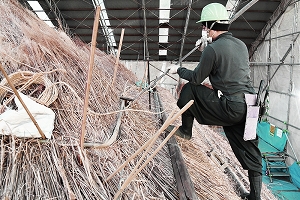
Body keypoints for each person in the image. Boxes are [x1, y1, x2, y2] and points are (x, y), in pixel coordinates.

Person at [167, 3, 262, 200]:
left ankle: (186, 131)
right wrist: (207, 49)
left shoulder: (213, 49)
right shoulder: (241, 45)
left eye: (205, 26)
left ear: (211, 25)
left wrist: (178, 70)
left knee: (189, 90)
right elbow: (226, 64)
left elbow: (196, 78)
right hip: (251, 105)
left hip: (231, 106)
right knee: (252, 152)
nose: (204, 30)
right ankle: (255, 196)